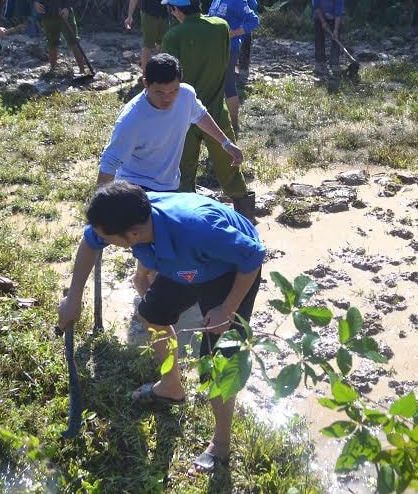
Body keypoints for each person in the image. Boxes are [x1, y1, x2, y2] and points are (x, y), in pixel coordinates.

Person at [57, 181, 265, 474]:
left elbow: (253, 255)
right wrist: (73, 297)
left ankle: (221, 445)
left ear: (131, 235)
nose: (103, 240)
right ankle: (171, 386)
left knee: (218, 362)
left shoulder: (198, 228)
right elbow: (90, 242)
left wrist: (227, 307)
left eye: (108, 238)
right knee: (152, 312)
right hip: (183, 266)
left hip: (228, 270)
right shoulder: (131, 216)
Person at [97, 52, 244, 296]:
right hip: (138, 186)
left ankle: (146, 281)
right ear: (146, 84)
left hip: (169, 183)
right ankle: (147, 288)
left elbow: (200, 116)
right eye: (160, 93)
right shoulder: (132, 118)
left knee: (163, 242)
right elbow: (110, 160)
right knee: (155, 242)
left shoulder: (185, 95)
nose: (168, 99)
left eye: (172, 91)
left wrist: (226, 143)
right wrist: (100, 204)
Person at [160, 0, 255, 220]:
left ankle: (186, 222)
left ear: (176, 10)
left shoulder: (173, 36)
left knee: (183, 172)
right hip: (215, 110)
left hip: (183, 115)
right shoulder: (220, 27)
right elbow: (225, 60)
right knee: (230, 167)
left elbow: (168, 78)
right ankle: (246, 217)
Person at [207, 0, 259, 133]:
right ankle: (214, 123)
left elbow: (253, 21)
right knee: (213, 84)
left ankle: (234, 124)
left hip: (229, 48)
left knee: (228, 84)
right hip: (214, 47)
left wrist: (234, 33)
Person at [311, 0, 345, 75]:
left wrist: (335, 30)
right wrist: (323, 22)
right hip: (319, 16)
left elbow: (339, 14)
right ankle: (320, 63)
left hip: (334, 18)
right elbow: (317, 7)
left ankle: (334, 64)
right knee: (319, 39)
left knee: (336, 39)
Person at [236, 0, 260, 87]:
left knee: (245, 52)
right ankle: (232, 73)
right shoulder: (229, 0)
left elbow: (252, 19)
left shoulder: (252, 3)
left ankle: (243, 75)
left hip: (245, 31)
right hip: (233, 30)